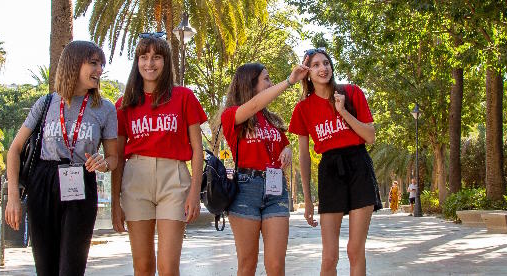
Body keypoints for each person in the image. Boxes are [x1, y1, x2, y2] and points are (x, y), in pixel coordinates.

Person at [4, 41, 118, 275]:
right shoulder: (46, 103)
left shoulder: (105, 108)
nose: (99, 70)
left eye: (101, 65)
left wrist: (104, 163)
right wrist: (13, 197)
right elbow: (14, 149)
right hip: (43, 182)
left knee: (71, 268)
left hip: (81, 184)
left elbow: (115, 157)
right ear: (73, 64)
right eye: (93, 63)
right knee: (46, 268)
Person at [111, 32, 206, 276]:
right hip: (135, 179)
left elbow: (197, 150)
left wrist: (195, 193)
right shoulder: (124, 103)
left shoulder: (184, 97)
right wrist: (115, 203)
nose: (149, 63)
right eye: (143, 57)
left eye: (156, 57)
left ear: (166, 61)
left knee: (168, 267)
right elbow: (118, 157)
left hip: (173, 178)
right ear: (137, 61)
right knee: (142, 266)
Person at [290, 48, 380, 276]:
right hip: (329, 170)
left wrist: (343, 112)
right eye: (316, 65)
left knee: (354, 250)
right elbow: (303, 155)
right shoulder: (302, 109)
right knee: (330, 256)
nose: (323, 68)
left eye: (326, 63)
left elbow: (370, 136)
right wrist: (308, 200)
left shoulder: (351, 92)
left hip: (358, 164)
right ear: (307, 73)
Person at [220, 63, 307, 276]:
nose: (270, 83)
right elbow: (254, 105)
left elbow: (283, 142)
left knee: (276, 266)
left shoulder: (271, 119)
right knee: (247, 264)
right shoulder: (232, 115)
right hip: (245, 190)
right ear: (251, 84)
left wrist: (287, 149)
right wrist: (288, 81)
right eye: (266, 79)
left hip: (276, 190)